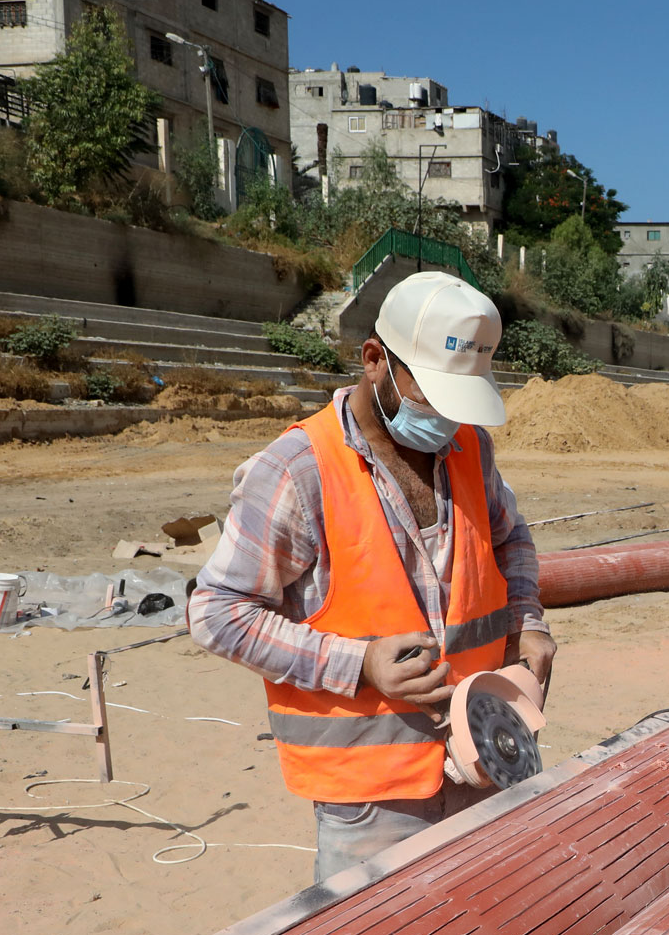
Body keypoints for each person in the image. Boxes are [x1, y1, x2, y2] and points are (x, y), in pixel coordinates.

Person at [191, 272, 555, 883]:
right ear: (374, 361)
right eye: (433, 395)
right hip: (372, 800)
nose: (444, 417)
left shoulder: (470, 448)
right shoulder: (297, 470)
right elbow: (217, 612)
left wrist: (527, 622)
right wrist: (358, 663)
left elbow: (510, 539)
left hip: (486, 757)